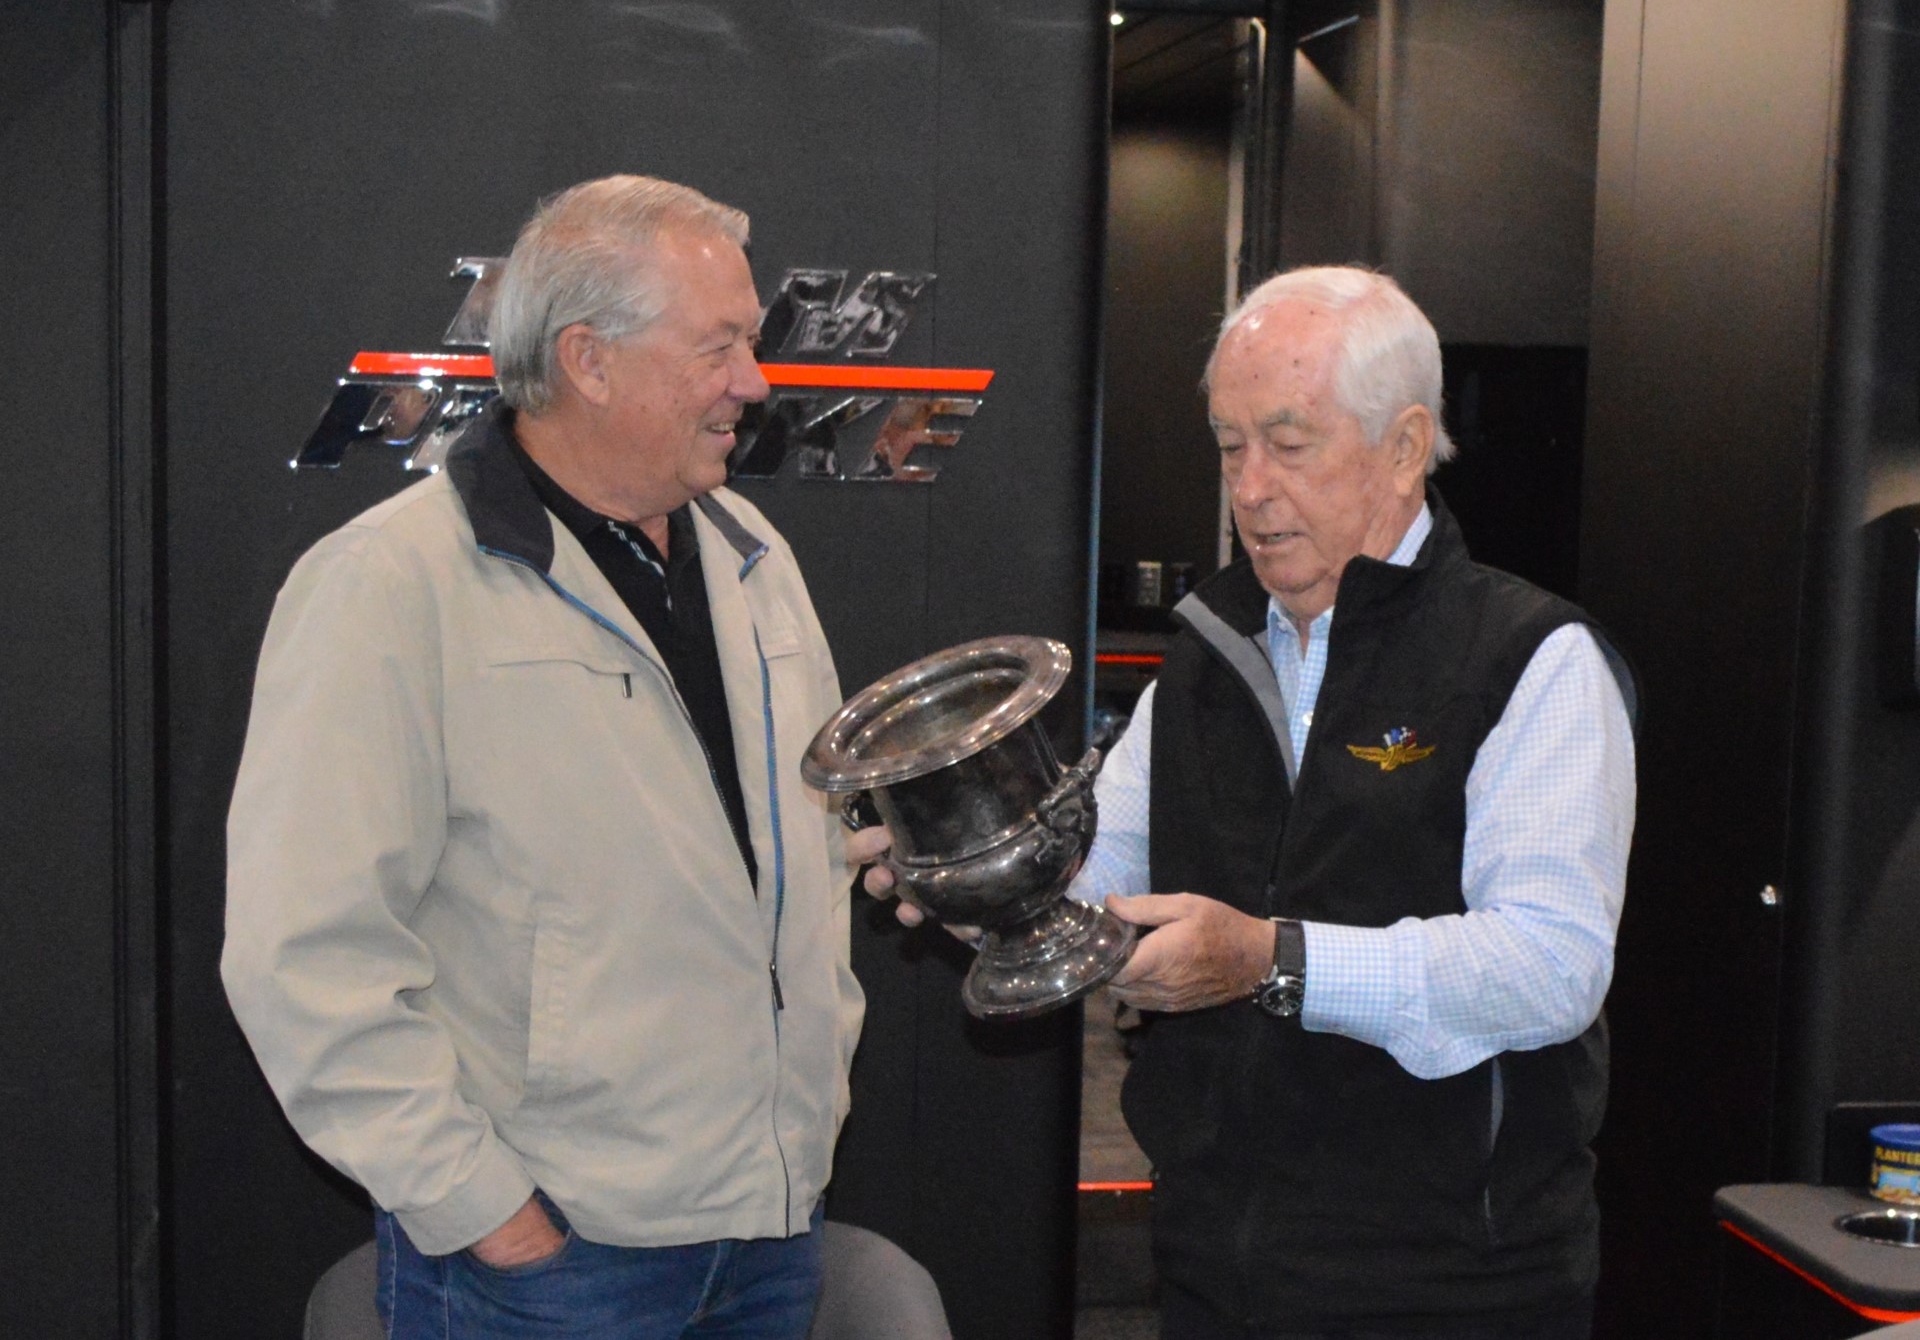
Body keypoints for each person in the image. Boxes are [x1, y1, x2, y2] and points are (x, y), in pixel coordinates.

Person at [874, 266, 1635, 1339]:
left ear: (1407, 446)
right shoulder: (1206, 655)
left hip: (1453, 1285)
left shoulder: (1532, 660)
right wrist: (963, 871)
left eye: (1290, 442)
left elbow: (1552, 967)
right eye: (1232, 446)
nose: (1252, 488)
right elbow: (1091, 891)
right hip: (1211, 1270)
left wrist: (1274, 960)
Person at [224, 175, 886, 1339]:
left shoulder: (752, 554)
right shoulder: (391, 584)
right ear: (588, 358)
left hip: (771, 1232)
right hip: (550, 1267)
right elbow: (303, 953)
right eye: (720, 344)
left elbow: (803, 841)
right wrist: (481, 1207)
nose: (755, 380)